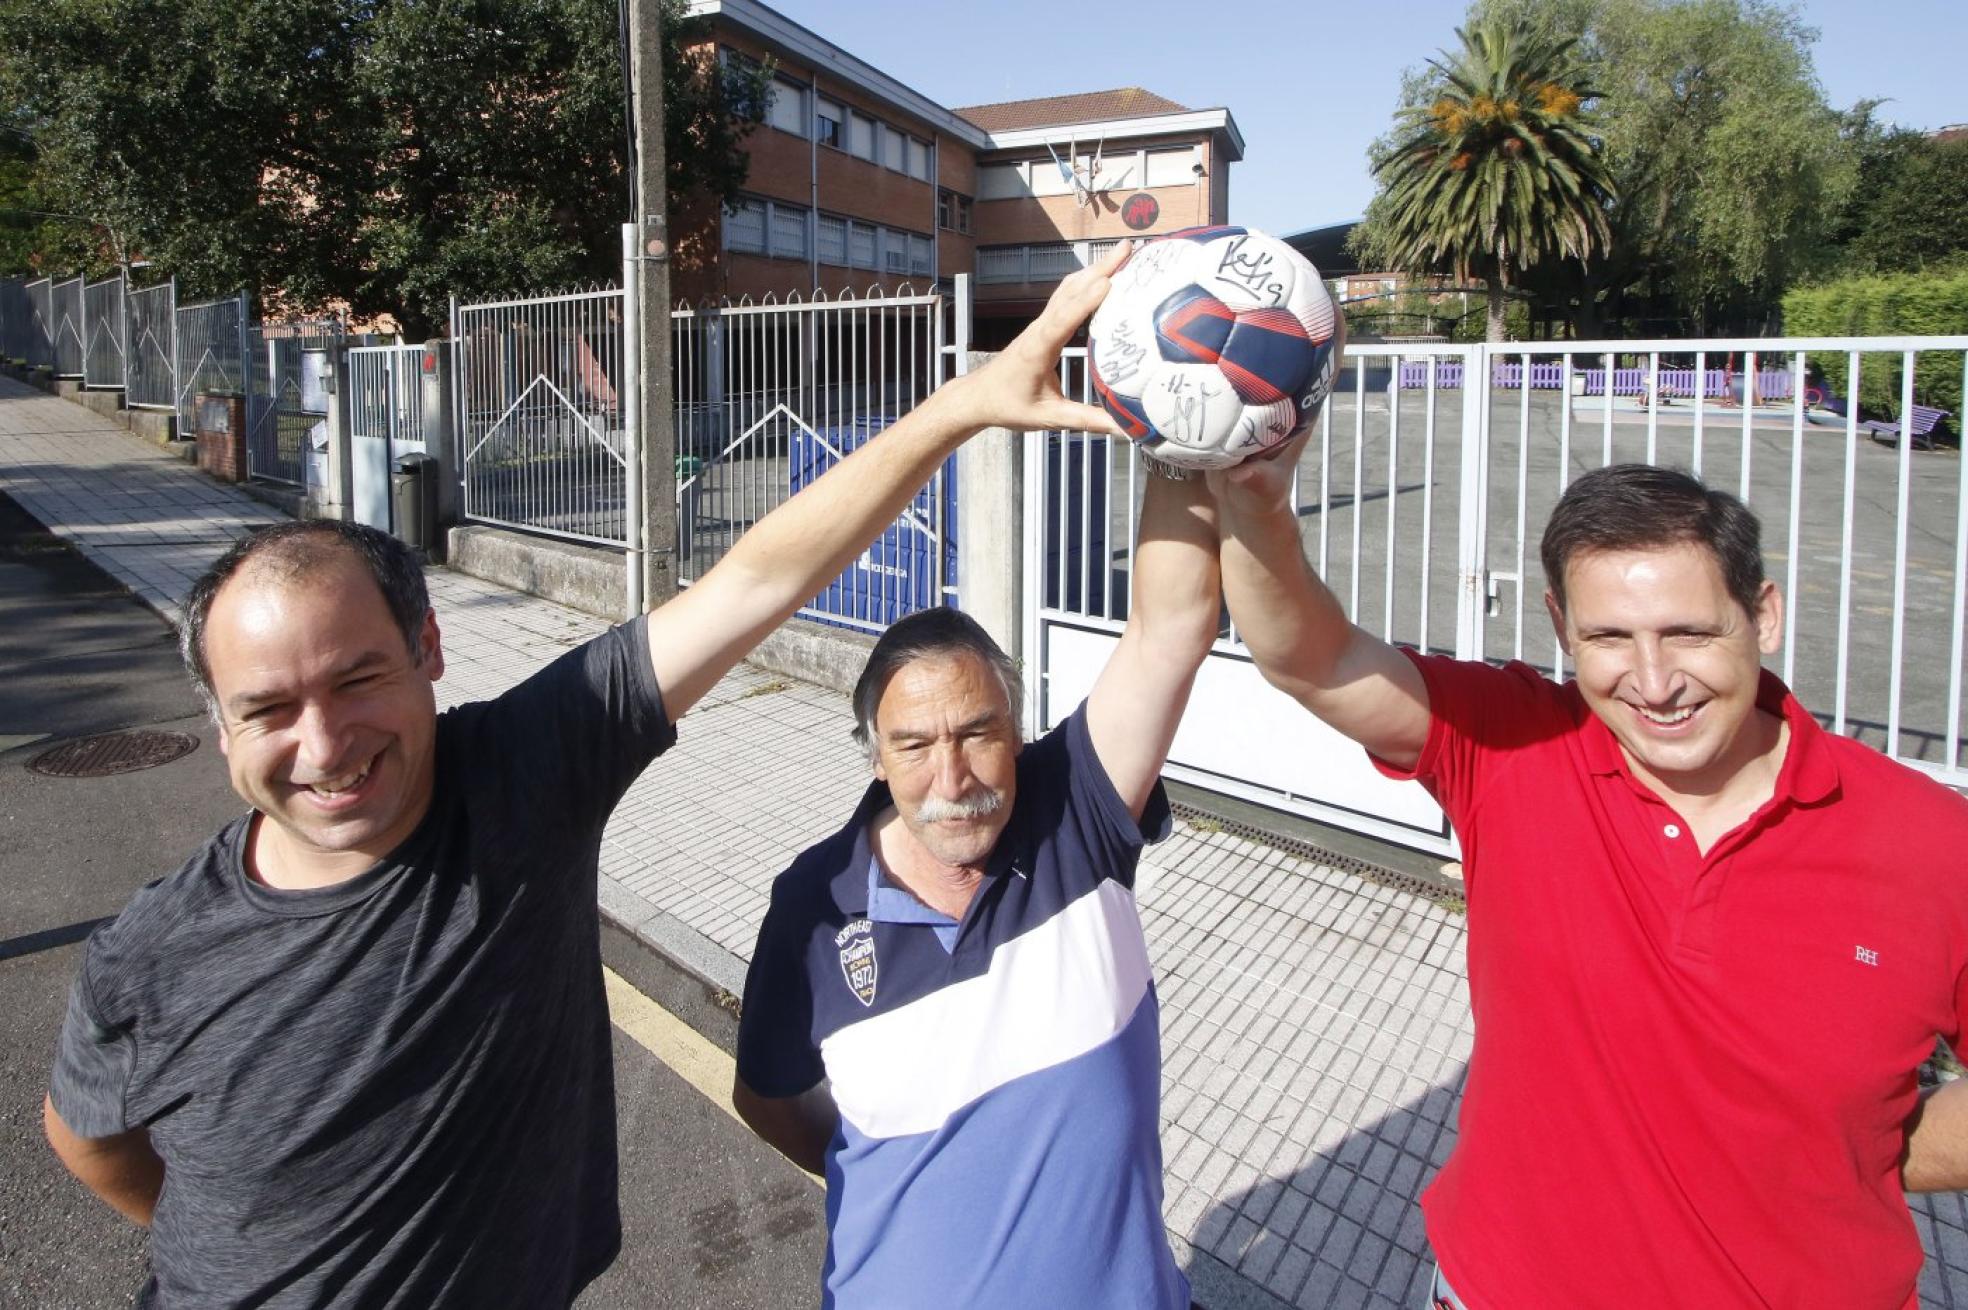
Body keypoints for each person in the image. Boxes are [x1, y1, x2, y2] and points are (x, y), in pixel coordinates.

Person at [40, 245, 1135, 1309]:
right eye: (268, 709)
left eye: (358, 677)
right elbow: (87, 1139)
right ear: (219, 725)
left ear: (429, 647)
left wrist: (957, 408)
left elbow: (756, 575)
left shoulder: (523, 774)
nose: (324, 746)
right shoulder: (150, 948)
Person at [1210, 457, 1968, 1309]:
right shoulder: (1515, 746)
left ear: (1764, 615)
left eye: (1689, 633)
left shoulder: (1932, 842)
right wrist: (1251, 496)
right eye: (1610, 639)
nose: (1654, 683)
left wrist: (1870, 1144)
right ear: (1562, 629)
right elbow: (1307, 657)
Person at [730, 463, 1222, 1308]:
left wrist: (1185, 434)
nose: (951, 779)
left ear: (1018, 729)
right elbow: (770, 1098)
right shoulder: (813, 907)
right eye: (914, 745)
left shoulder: (1077, 812)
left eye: (977, 732)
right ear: (876, 757)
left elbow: (1171, 623)